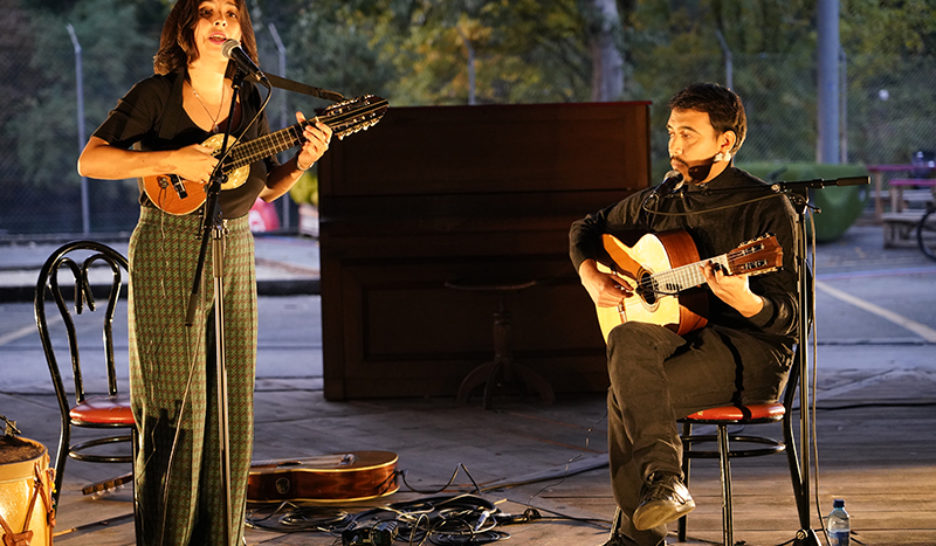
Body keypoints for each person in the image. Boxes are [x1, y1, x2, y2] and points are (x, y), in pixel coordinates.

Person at [76, 1, 332, 543]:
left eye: (230, 13)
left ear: (241, 29)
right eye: (208, 11)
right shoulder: (156, 94)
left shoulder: (250, 98)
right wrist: (171, 160)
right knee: (178, 409)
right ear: (186, 28)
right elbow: (91, 160)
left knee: (231, 407)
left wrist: (302, 162)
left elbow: (264, 189)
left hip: (235, 246)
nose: (220, 21)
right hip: (168, 245)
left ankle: (223, 537)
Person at [569, 82, 800, 546]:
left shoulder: (765, 207)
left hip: (751, 350)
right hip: (682, 334)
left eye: (688, 134)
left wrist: (745, 300)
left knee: (625, 396)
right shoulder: (663, 198)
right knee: (626, 338)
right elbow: (586, 227)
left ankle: (639, 534)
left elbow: (792, 317)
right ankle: (663, 486)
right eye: (672, 133)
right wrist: (591, 275)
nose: (675, 145)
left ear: (725, 141)